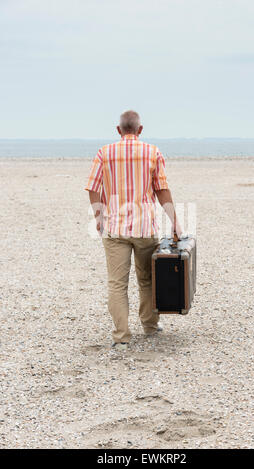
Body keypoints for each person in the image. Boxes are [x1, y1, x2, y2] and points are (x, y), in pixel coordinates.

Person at [85, 110, 181, 350]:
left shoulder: (104, 153)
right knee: (147, 279)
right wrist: (176, 222)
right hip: (144, 227)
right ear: (140, 130)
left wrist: (98, 216)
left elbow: (92, 187)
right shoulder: (152, 152)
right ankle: (149, 326)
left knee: (116, 283)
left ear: (119, 130)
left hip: (114, 227)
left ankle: (121, 336)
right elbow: (162, 189)